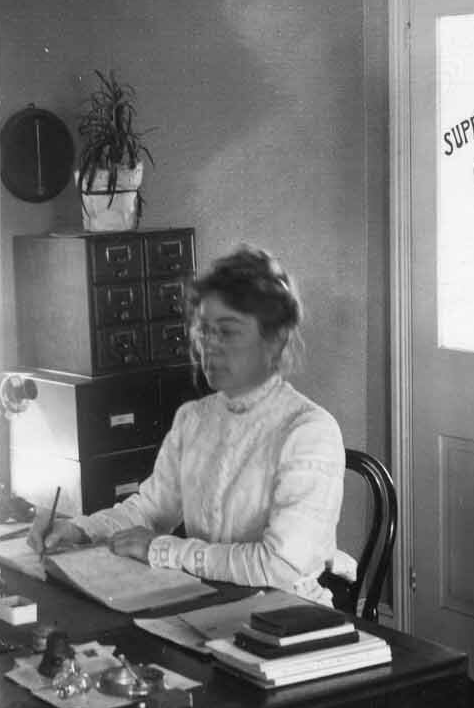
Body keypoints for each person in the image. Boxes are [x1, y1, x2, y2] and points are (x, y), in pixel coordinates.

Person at [28, 245, 346, 599]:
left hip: (288, 619)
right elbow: (150, 510)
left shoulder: (309, 432)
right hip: (207, 602)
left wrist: (163, 551)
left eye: (227, 332)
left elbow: (279, 566)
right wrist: (79, 530)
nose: (209, 346)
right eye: (204, 331)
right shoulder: (193, 419)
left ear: (275, 340)